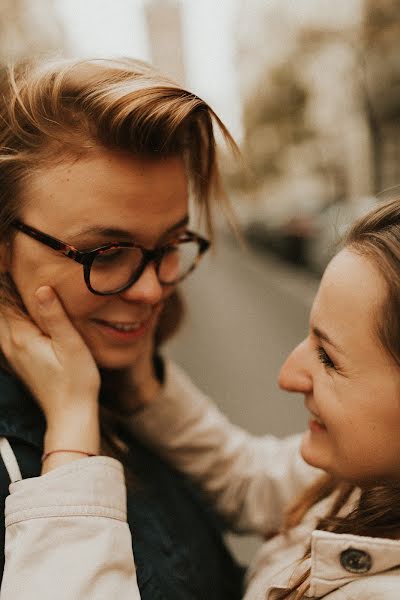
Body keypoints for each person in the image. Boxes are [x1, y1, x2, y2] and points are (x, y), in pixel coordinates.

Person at [1, 198, 400, 600]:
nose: (288, 376)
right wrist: (142, 386)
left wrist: (71, 424)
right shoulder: (366, 481)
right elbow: (247, 480)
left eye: (328, 358)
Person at [0, 55, 250, 599]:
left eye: (170, 246)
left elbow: (257, 487)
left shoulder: (125, 385)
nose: (152, 290)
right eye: (105, 252)